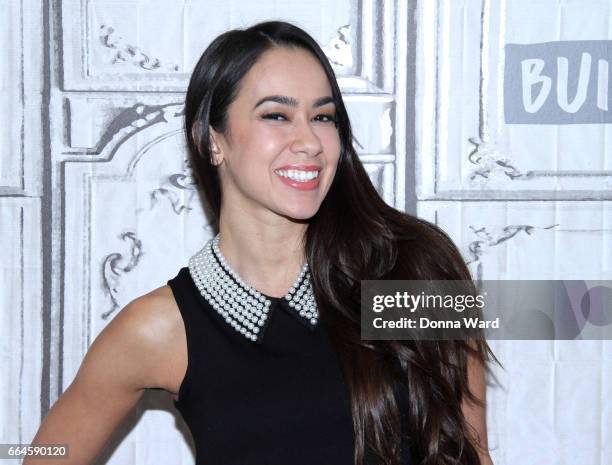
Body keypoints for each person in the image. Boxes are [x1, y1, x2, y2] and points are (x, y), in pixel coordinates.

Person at [26, 20, 500, 465]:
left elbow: (474, 453)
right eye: (276, 115)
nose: (309, 141)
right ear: (212, 140)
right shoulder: (159, 329)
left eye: (323, 117)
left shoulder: (416, 269)